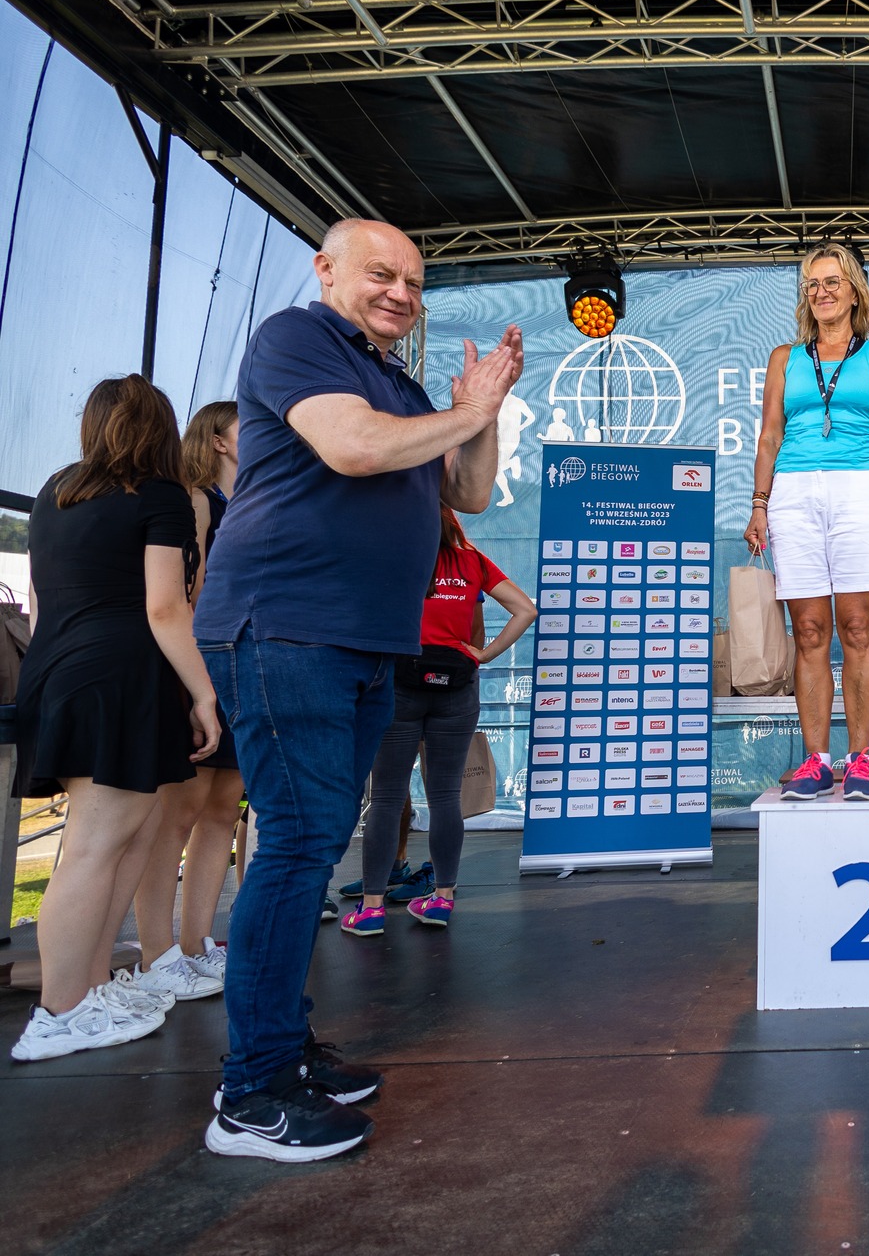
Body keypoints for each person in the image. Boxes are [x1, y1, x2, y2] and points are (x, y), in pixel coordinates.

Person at [194, 218, 523, 1162]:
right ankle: (251, 1095)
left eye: (414, 283)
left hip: (367, 644)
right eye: (382, 274)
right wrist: (462, 412)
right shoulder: (297, 338)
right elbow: (352, 448)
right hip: (289, 629)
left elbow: (468, 493)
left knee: (313, 847)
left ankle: (282, 1048)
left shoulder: (400, 381)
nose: (401, 295)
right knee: (299, 846)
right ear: (326, 269)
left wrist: (482, 412)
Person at [9, 375, 221, 1062]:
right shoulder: (159, 496)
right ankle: (60, 1012)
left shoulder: (56, 491)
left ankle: (89, 987)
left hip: (60, 672)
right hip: (120, 678)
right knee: (96, 847)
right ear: (161, 428)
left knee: (123, 839)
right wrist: (204, 694)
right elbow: (166, 606)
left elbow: (39, 603)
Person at [745, 243, 869, 801]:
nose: (822, 292)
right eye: (812, 285)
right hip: (793, 493)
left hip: (859, 489)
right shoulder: (785, 357)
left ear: (855, 292)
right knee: (810, 632)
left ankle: (861, 759)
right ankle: (817, 761)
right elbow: (769, 436)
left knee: (858, 629)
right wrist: (759, 504)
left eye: (832, 282)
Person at [343, 507, 535, 934]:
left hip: (399, 683)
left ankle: (371, 909)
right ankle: (442, 899)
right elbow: (525, 609)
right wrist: (483, 655)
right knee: (446, 795)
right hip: (457, 685)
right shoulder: (473, 561)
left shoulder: (393, 556)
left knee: (387, 797)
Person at [130, 401, 246, 999]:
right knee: (179, 811)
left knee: (224, 807)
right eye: (247, 426)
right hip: (204, 662)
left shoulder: (256, 499)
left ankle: (199, 943)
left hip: (247, 663)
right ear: (218, 441)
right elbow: (185, 594)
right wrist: (198, 680)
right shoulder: (198, 500)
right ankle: (157, 951)